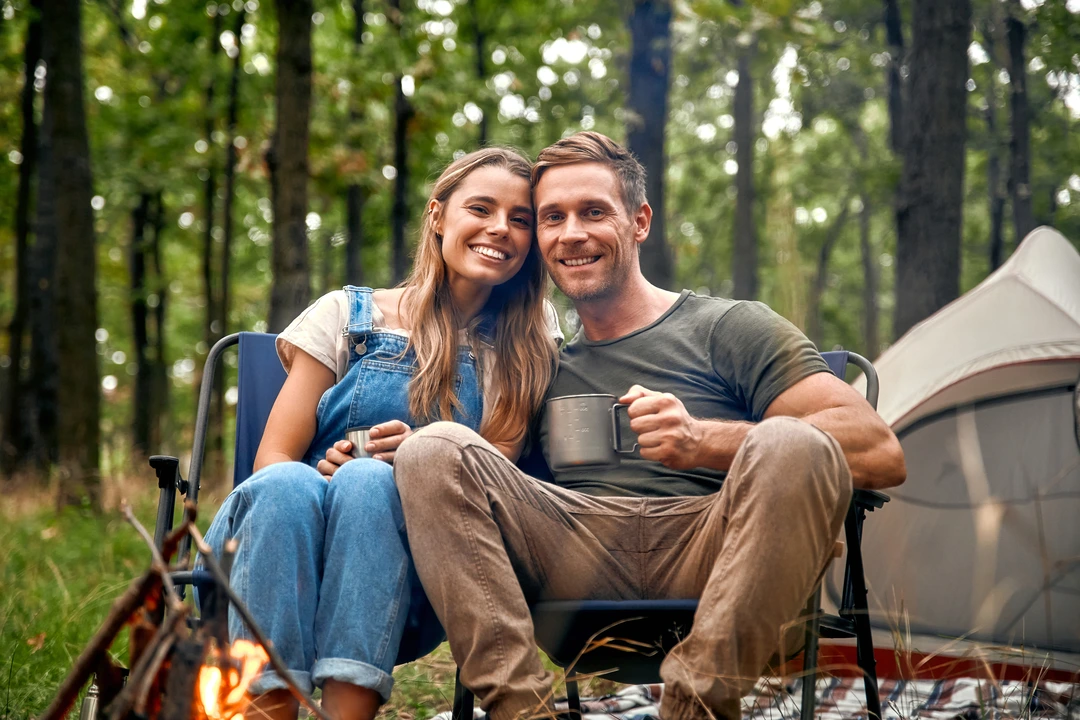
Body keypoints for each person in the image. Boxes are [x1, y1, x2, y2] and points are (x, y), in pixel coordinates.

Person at [393, 132, 907, 720]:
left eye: (594, 212)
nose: (572, 234)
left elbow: (880, 451)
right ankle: (523, 712)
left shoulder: (728, 327)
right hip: (576, 559)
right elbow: (481, 476)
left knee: (794, 440)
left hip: (716, 549)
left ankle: (696, 707)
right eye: (552, 218)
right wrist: (393, 454)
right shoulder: (536, 361)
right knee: (433, 449)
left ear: (639, 221)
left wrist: (705, 441)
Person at [201, 147, 561, 720]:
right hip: (272, 552)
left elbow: (498, 478)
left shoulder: (523, 345)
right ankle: (266, 711)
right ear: (438, 216)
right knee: (291, 484)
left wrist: (419, 461)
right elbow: (271, 458)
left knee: (370, 481)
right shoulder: (348, 315)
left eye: (521, 219)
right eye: (482, 208)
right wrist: (322, 474)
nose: (501, 228)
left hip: (409, 571)